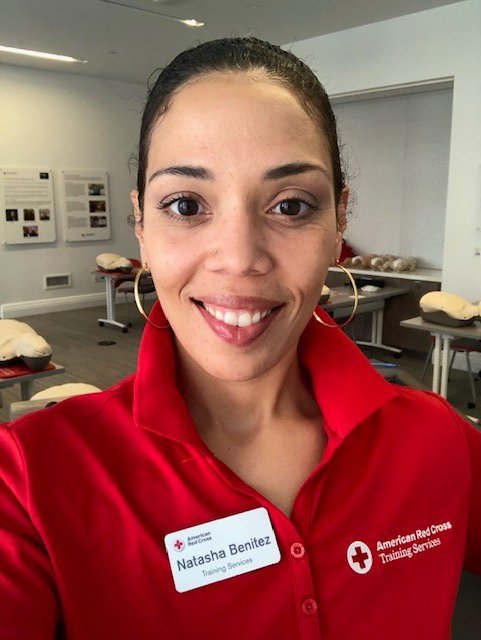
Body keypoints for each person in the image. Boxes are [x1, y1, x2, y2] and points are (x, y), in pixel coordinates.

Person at [0, 37, 480, 640]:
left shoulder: (437, 439)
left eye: (290, 206)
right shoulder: (30, 480)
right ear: (140, 222)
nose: (240, 258)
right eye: (185, 204)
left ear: (339, 221)